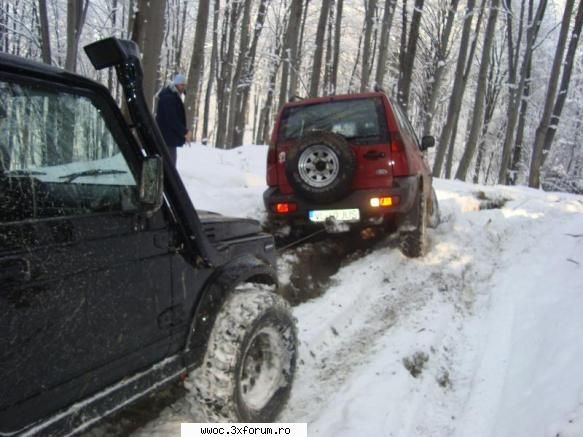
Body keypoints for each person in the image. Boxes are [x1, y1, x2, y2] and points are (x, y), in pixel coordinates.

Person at [155, 74, 189, 166]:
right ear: (176, 84)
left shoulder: (173, 96)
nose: (183, 87)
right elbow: (172, 119)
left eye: (184, 85)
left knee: (169, 165)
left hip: (168, 138)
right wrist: (184, 131)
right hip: (166, 138)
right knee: (170, 166)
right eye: (182, 85)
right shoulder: (169, 97)